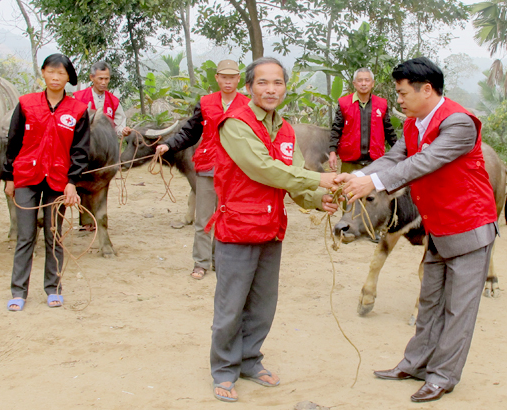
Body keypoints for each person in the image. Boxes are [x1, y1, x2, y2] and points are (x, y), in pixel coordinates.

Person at [334, 57, 498, 403]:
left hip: (468, 227)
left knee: (458, 309)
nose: (399, 100)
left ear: (427, 89)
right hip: (437, 226)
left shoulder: (458, 123)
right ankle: (415, 363)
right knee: (429, 301)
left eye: (403, 92)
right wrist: (359, 177)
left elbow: (423, 162)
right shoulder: (414, 124)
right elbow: (395, 157)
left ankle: (443, 376)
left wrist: (373, 183)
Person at [206, 57, 338, 402]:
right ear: (249, 87)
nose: (270, 89)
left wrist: (316, 198)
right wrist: (320, 178)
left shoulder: (286, 129)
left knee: (263, 303)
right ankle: (224, 369)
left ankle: (250, 360)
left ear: (284, 87)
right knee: (231, 304)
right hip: (237, 226)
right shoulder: (234, 123)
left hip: (271, 226)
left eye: (277, 82)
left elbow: (292, 177)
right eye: (262, 82)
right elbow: (264, 169)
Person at [3, 54, 90, 312]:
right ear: (42, 72)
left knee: (54, 235)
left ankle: (53, 288)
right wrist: (9, 177)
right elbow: (13, 142)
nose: (55, 77)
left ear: (68, 78)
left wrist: (72, 182)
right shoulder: (26, 104)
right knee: (25, 236)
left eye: (61, 74)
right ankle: (18, 291)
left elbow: (80, 151)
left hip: (58, 180)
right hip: (26, 177)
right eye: (51, 72)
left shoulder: (77, 110)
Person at [155, 60, 250, 280]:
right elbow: (189, 132)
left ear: (238, 79)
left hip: (236, 171)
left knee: (228, 219)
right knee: (204, 219)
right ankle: (201, 262)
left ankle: (221, 261)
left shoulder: (248, 105)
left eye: (232, 77)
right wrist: (168, 145)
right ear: (217, 78)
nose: (228, 81)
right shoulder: (205, 103)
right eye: (223, 77)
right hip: (208, 167)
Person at [328, 68, 397, 173]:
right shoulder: (344, 104)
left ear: (372, 83)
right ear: (354, 84)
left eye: (367, 80)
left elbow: (389, 131)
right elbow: (336, 129)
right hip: (350, 162)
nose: (363, 84)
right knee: (347, 188)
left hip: (375, 162)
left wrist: (398, 152)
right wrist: (332, 152)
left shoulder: (381, 104)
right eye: (360, 80)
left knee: (374, 189)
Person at [72, 61, 132, 138]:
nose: (103, 82)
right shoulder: (78, 98)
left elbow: (119, 126)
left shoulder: (114, 102)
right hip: (83, 143)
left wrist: (123, 130)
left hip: (107, 144)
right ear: (92, 77)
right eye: (100, 79)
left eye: (106, 79)